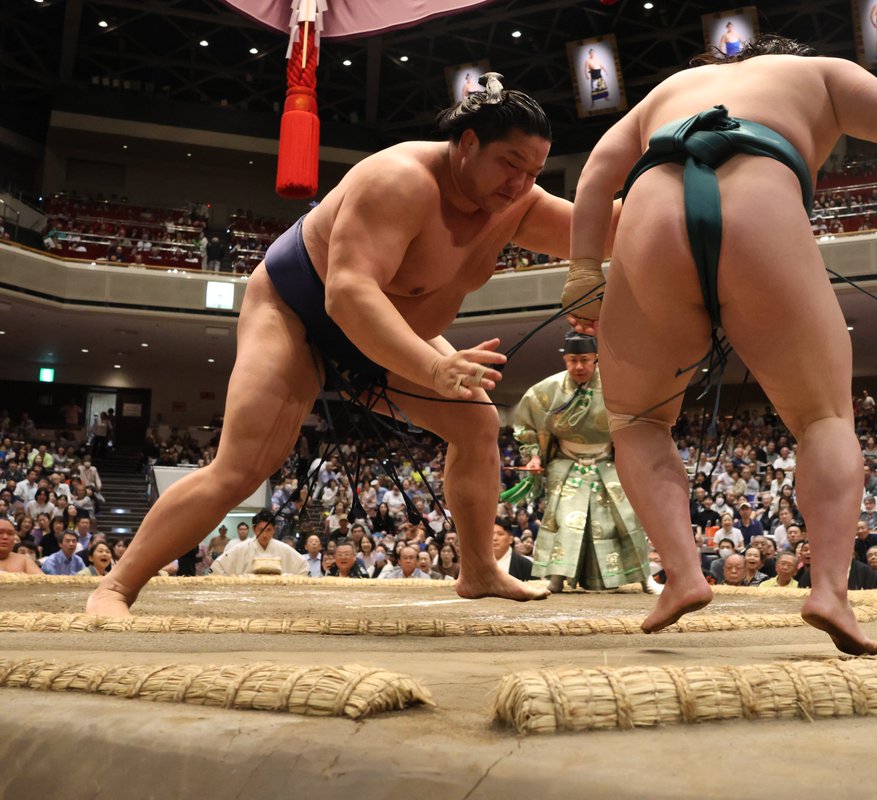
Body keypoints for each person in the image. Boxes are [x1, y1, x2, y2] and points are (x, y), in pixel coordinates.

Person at [84, 76, 600, 616]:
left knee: (477, 424)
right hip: (299, 313)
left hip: (389, 336)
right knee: (241, 467)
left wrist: (679, 188)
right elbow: (349, 295)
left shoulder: (514, 203)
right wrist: (432, 364)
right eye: (510, 164)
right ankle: (116, 586)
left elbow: (603, 231)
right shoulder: (399, 180)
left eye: (534, 172)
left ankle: (478, 570)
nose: (521, 184)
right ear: (467, 143)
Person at [563, 37, 877, 651]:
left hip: (651, 214)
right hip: (762, 206)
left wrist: (585, 272)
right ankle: (829, 590)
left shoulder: (664, 92)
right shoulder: (820, 71)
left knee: (637, 418)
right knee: (823, 417)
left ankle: (683, 574)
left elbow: (595, 173)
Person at [511, 332, 653, 593]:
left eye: (585, 360)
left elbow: (636, 423)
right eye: (573, 360)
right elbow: (527, 425)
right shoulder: (546, 391)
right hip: (566, 462)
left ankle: (646, 578)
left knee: (625, 518)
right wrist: (533, 455)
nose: (578, 366)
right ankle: (556, 578)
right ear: (565, 359)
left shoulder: (618, 387)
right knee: (563, 519)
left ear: (596, 359)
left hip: (608, 461)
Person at [208, 510, 308, 576]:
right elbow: (217, 566)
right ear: (254, 529)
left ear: (274, 530)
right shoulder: (240, 548)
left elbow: (304, 567)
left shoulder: (284, 549)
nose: (265, 535)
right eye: (261, 530)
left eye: (268, 530)